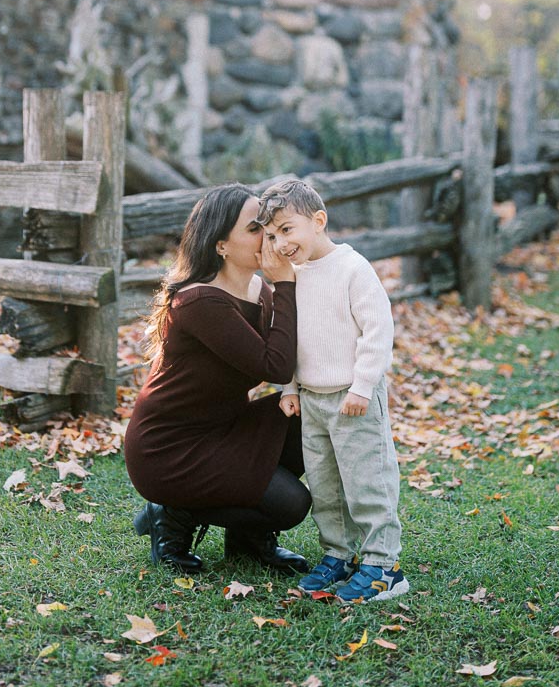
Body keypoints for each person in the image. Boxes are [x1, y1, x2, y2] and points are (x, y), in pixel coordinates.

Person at [124, 182, 312, 576]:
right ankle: (171, 512)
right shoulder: (201, 301)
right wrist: (286, 285)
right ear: (221, 245)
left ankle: (246, 543)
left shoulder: (257, 289)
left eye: (267, 223)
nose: (269, 234)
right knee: (291, 503)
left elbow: (290, 350)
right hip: (170, 449)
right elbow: (274, 366)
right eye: (255, 228)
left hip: (222, 428)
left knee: (304, 416)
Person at [257, 178, 409, 604]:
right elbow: (286, 337)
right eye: (271, 235)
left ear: (318, 220)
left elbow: (377, 331)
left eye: (287, 229)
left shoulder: (352, 269)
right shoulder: (290, 279)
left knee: (366, 480)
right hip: (312, 399)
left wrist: (363, 387)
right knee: (326, 486)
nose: (280, 242)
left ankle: (384, 566)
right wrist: (287, 386)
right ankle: (339, 554)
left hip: (352, 397)